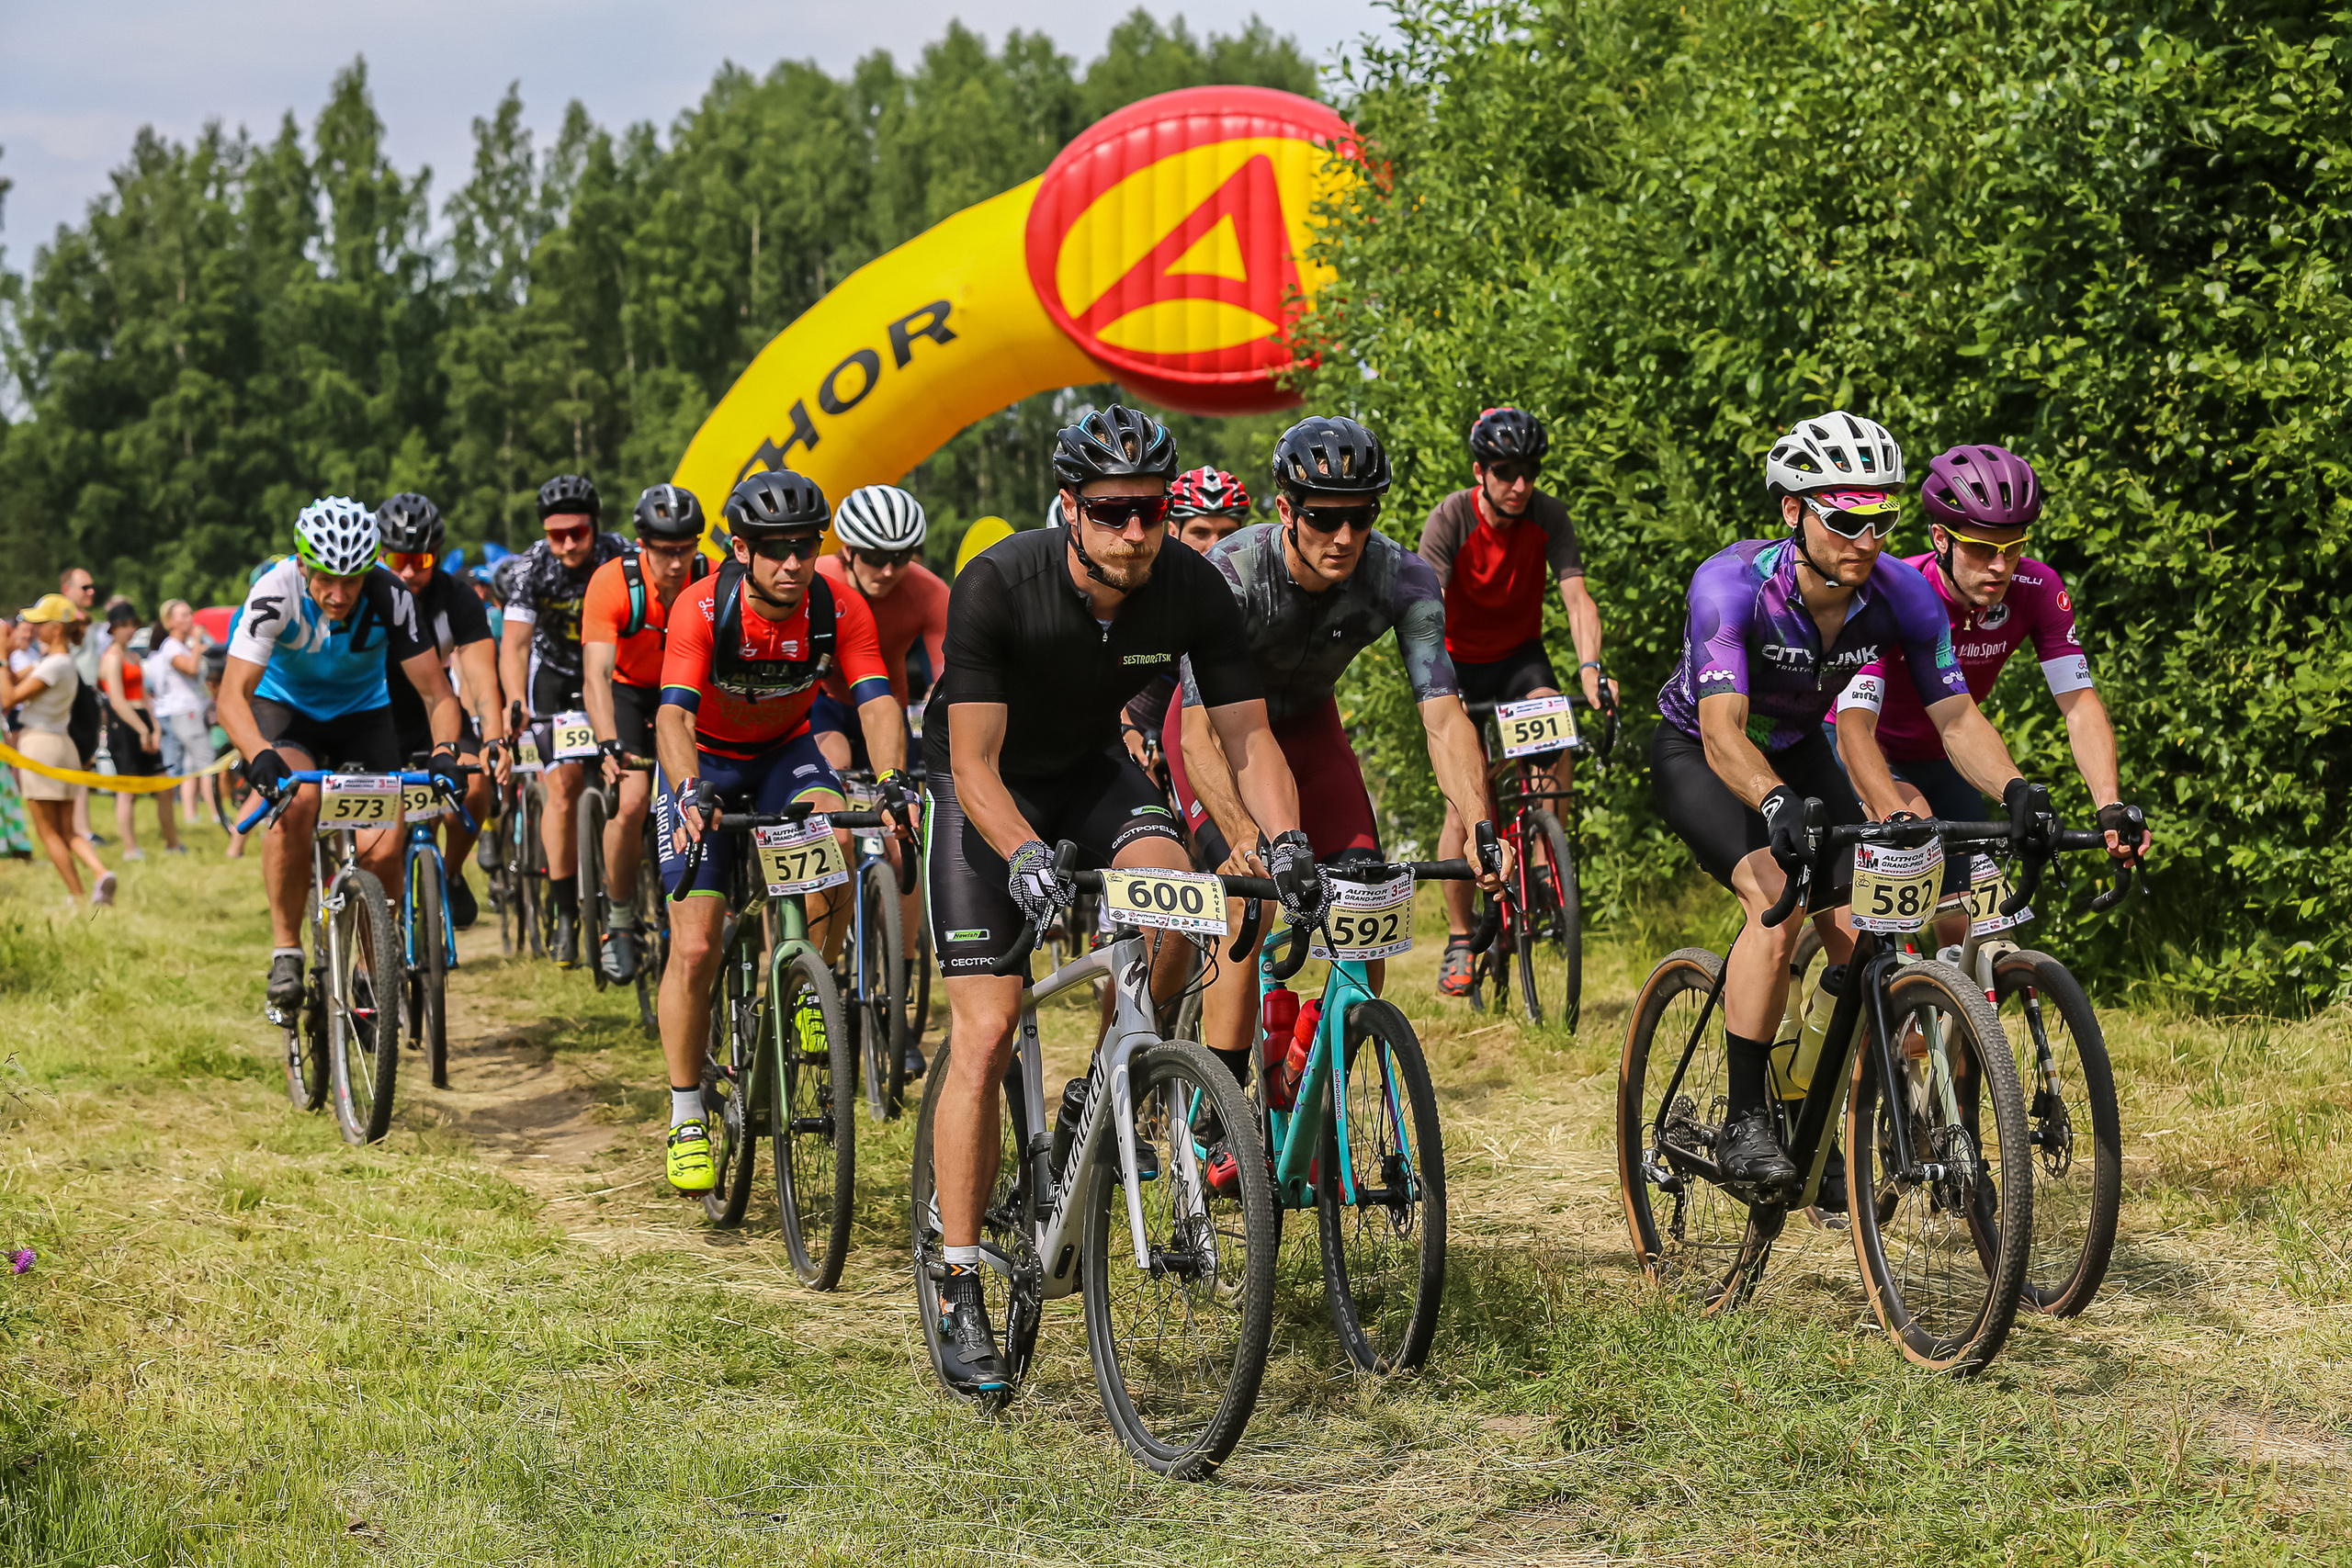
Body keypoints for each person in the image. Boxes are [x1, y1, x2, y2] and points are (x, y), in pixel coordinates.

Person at [921, 402, 1326, 1393]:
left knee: (1179, 898)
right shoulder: (999, 582)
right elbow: (972, 766)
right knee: (988, 1022)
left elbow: (1245, 736)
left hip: (1093, 772)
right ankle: (960, 1279)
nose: (1135, 531)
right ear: (1070, 508)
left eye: (1148, 510)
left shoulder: (1190, 585)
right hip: (985, 790)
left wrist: (1285, 842)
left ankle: (1107, 1081)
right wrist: (1019, 853)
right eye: (1110, 511)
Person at [1650, 411, 2048, 1193]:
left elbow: (1956, 718)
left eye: (1882, 520)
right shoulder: (1730, 586)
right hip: (1702, 751)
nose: (1866, 540)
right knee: (1776, 897)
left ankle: (1821, 1108)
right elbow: (1725, 731)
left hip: (1798, 749)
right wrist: (1770, 801)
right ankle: (1743, 1118)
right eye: (1845, 519)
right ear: (1794, 512)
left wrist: (2015, 790)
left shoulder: (1901, 595)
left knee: (1867, 923)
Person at [1168, 417, 1511, 1183]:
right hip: (1219, 734)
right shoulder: (1231, 570)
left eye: (1362, 514)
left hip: (1312, 733)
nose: (1344, 533)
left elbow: (1443, 715)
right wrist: (1241, 836)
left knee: (1368, 900)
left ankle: (1308, 1061)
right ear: (1287, 510)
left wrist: (1482, 825)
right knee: (1247, 903)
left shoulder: (1403, 576)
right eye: (1324, 514)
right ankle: (1218, 1111)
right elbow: (1197, 737)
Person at [653, 469, 911, 1194]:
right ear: (741, 548)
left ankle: (802, 985)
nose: (793, 562)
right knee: (698, 941)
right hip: (702, 759)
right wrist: (684, 788)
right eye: (774, 548)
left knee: (830, 835)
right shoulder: (702, 607)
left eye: (804, 546)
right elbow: (671, 716)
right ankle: (684, 1113)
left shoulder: (837, 605)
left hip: (783, 756)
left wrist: (892, 781)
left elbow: (877, 701)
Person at [1834, 444, 2150, 942]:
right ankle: (1876, 1004)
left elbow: (2079, 706)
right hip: (1866, 747)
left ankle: (1949, 1011)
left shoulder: (2039, 588)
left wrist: (2108, 805)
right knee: (1916, 880)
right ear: (1940, 537)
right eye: (1982, 550)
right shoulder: (1895, 592)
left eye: (2012, 547)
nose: (2000, 567)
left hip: (1947, 753)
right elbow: (1857, 727)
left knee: (1976, 929)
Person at [217, 498, 468, 1011]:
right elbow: (231, 697)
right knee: (298, 802)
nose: (338, 594)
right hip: (286, 712)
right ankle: (286, 949)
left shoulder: (390, 593)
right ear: (304, 564)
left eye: (351, 581)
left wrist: (445, 749)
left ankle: (371, 972)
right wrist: (258, 752)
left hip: (362, 718)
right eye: (326, 579)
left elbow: (437, 694)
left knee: (386, 843)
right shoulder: (274, 591)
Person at [1418, 407, 1617, 996]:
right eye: (1505, 472)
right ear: (1481, 471)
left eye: (1529, 471)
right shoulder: (1451, 518)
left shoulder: (1548, 516)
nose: (1519, 485)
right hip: (1458, 663)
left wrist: (1590, 670)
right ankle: (1459, 937)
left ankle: (1538, 850)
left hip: (1519, 659)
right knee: (1464, 803)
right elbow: (1427, 608)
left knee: (1555, 720)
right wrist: (1435, 689)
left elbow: (1577, 600)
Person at [807, 482, 947, 1068]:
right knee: (831, 796)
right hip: (820, 705)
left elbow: (949, 676)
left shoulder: (928, 590)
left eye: (902, 556)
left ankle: (898, 995)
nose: (889, 570)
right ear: (846, 552)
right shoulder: (815, 580)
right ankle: (819, 975)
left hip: (884, 708)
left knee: (903, 840)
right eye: (874, 558)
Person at [501, 475, 629, 966]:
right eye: (558, 535)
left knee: (628, 775)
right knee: (564, 788)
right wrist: (516, 700)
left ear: (595, 526)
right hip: (554, 677)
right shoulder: (533, 567)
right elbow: (513, 645)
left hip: (614, 675)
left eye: (578, 532)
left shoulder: (619, 556)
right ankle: (565, 914)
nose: (569, 544)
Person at [582, 482, 707, 982]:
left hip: (689, 694)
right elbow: (595, 675)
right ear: (642, 545)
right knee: (632, 803)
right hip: (631, 694)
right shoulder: (612, 584)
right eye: (664, 550)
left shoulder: (714, 577)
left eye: (685, 548)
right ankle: (618, 918)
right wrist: (608, 741)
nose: (676, 562)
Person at [377, 492, 511, 929]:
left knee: (474, 787)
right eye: (398, 560)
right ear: (380, 555)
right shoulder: (366, 596)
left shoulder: (457, 600)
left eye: (423, 559)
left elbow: (481, 678)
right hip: (375, 718)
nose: (410, 572)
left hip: (438, 714)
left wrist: (494, 739)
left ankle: (450, 874)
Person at [1121, 465, 1253, 782]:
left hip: (1211, 731)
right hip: (1134, 726)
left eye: (1227, 533)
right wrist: (1124, 729)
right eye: (1201, 532)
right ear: (1172, 531)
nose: (1216, 545)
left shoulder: (1253, 590)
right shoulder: (1135, 580)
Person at [1, 594, 116, 905]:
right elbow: (14, 681)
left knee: (48, 831)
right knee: (68, 830)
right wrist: (9, 654)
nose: (33, 629)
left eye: (39, 624)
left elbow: (8, 698)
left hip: (40, 747)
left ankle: (77, 897)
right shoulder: (56, 664)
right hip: (61, 746)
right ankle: (101, 874)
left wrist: (0, 655)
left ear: (55, 628)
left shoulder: (54, 665)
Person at [98, 602, 181, 859]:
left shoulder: (133, 656)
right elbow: (117, 700)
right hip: (123, 724)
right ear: (113, 629)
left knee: (164, 785)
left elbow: (145, 696)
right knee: (128, 789)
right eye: (124, 626)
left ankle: (172, 843)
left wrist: (154, 727)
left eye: (132, 624)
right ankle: (130, 848)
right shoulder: (111, 658)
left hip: (142, 719)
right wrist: (140, 729)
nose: (129, 630)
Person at [146, 601, 224, 829]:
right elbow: (190, 668)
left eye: (190, 613)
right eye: (184, 615)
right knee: (207, 761)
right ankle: (216, 812)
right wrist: (198, 643)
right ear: (170, 621)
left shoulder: (183, 644)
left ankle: (191, 814)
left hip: (192, 709)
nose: (190, 618)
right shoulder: (171, 647)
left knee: (191, 765)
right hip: (184, 711)